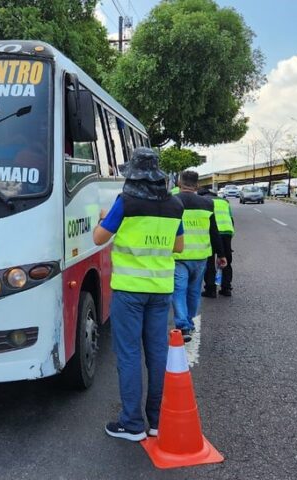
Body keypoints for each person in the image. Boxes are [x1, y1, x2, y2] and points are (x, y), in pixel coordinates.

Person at [93, 147, 185, 442]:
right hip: (160, 290)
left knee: (129, 353)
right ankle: (157, 421)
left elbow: (99, 238)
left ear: (132, 173)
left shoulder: (126, 202)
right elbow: (178, 247)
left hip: (130, 292)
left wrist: (105, 218)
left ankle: (132, 424)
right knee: (157, 353)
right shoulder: (175, 205)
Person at [172, 171, 226, 342]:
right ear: (196, 186)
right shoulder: (208, 203)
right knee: (194, 292)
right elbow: (214, 231)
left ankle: (183, 326)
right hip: (201, 256)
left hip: (179, 255)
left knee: (179, 291)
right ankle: (189, 322)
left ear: (180, 183)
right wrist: (221, 254)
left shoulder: (173, 201)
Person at [200, 187, 234, 297]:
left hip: (211, 233)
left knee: (209, 262)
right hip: (226, 232)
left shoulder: (203, 201)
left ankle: (210, 290)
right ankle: (226, 288)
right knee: (226, 260)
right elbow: (231, 219)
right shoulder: (224, 201)